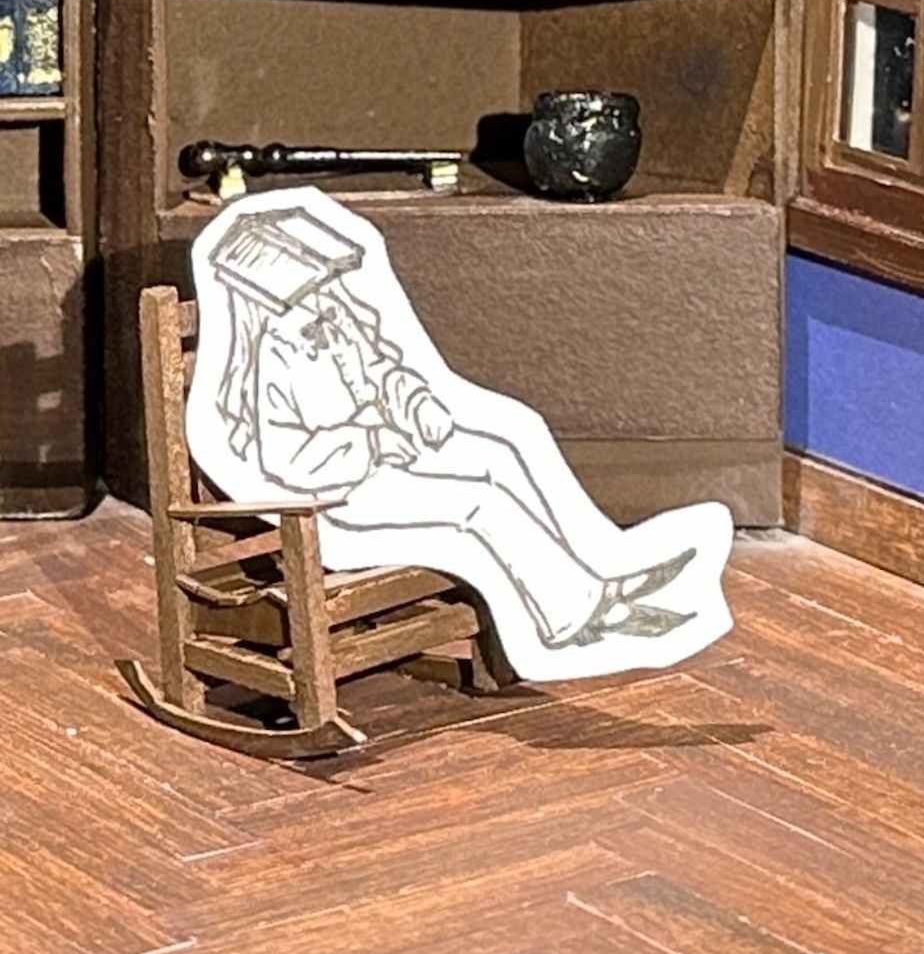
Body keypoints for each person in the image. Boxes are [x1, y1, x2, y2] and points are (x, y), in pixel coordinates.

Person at [190, 194, 728, 668]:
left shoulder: (336, 324)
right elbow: (288, 463)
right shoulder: (271, 364)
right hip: (339, 498)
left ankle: (593, 572)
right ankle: (570, 618)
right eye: (312, 289)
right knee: (479, 504)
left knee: (507, 446)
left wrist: (417, 402)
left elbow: (382, 371)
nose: (324, 298)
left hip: (388, 464)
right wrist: (372, 440)